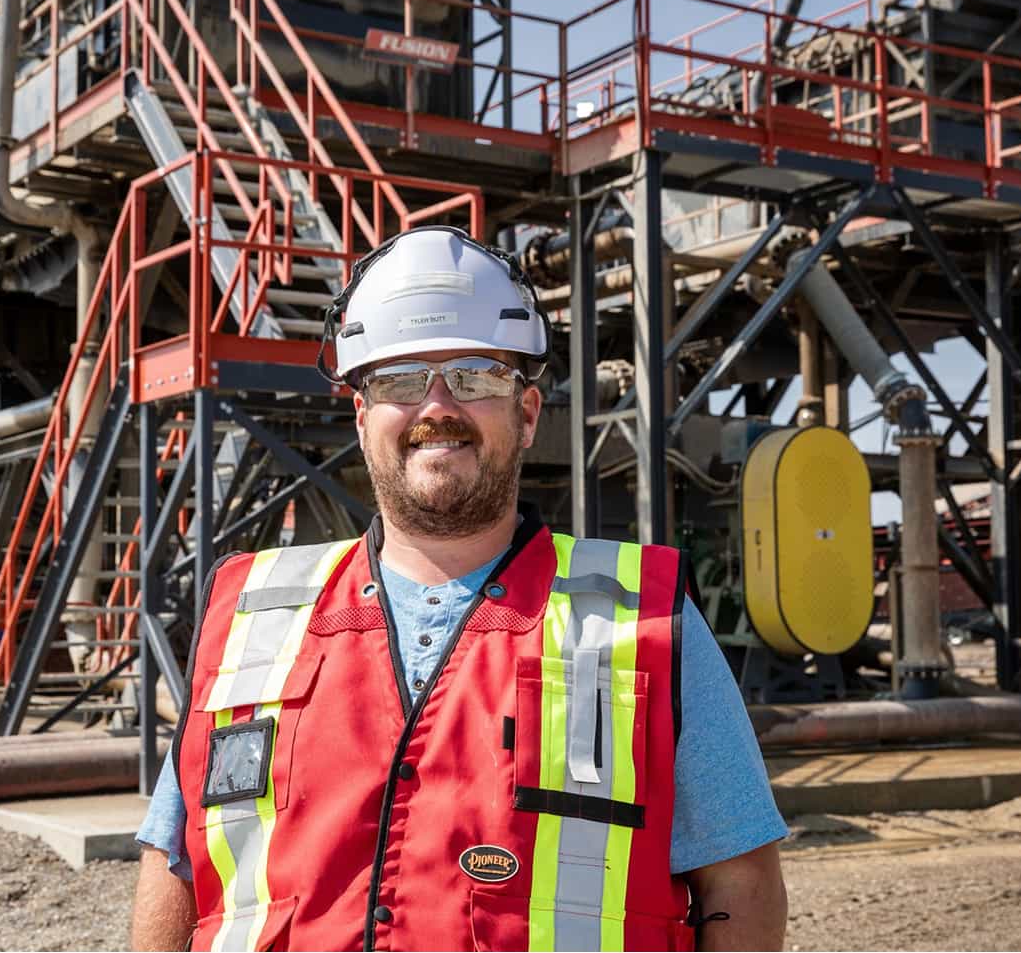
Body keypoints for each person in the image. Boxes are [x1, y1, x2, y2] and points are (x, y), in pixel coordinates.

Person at [131, 226, 788, 952]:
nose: (437, 405)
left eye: (475, 376)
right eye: (401, 380)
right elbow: (180, 866)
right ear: (361, 416)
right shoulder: (255, 615)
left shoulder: (646, 623)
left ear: (528, 412)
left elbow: (740, 883)